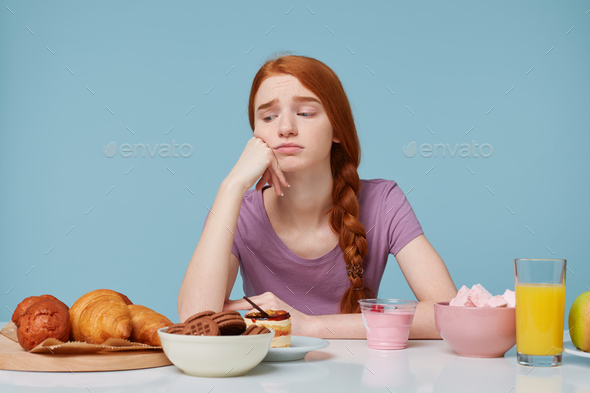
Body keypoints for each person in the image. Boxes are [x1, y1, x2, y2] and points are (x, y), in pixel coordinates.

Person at [177, 53, 457, 339]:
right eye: (268, 117)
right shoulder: (237, 212)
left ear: (336, 128)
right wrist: (232, 185)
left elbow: (449, 314)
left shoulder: (384, 201)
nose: (285, 128)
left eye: (305, 113)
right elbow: (193, 323)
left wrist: (308, 326)